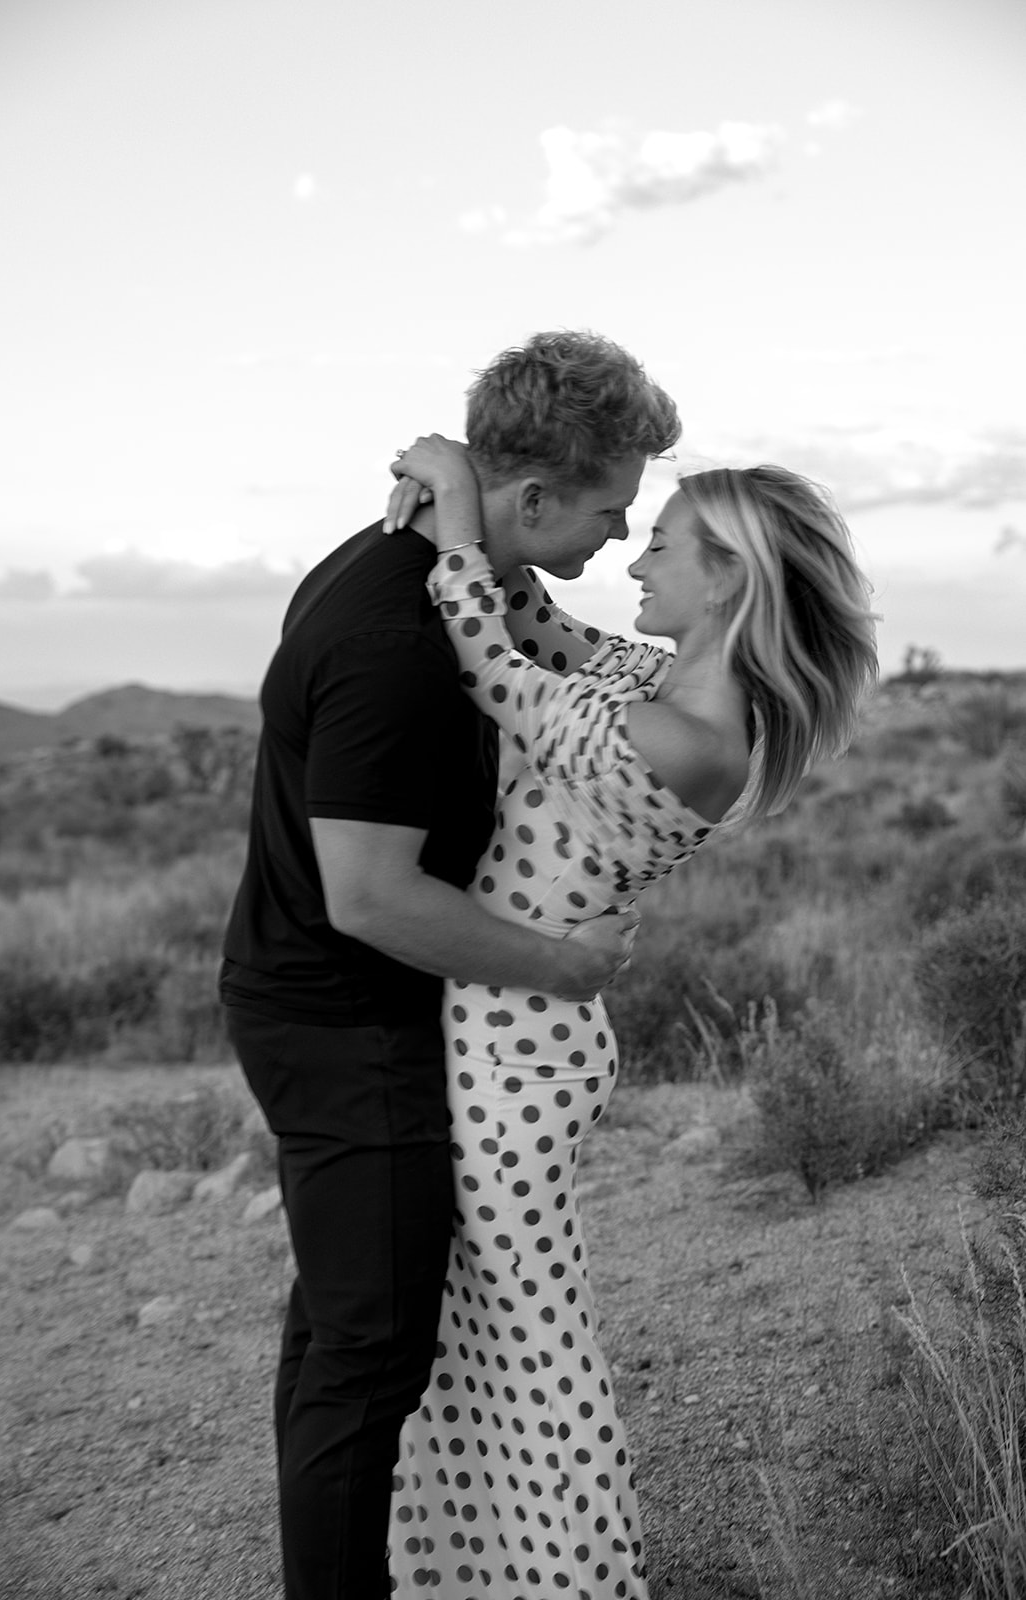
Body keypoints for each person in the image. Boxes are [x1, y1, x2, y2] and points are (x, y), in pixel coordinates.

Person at [218, 331, 681, 1600]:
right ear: (528, 499)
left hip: (342, 1002)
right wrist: (561, 966)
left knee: (337, 1332)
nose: (610, 539)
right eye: (607, 510)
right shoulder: (397, 640)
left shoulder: (384, 566)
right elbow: (367, 897)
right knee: (368, 1358)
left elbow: (545, 651)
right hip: (345, 1017)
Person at [381, 435, 879, 1600]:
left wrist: (459, 511)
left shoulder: (691, 740)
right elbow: (537, 631)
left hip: (514, 1052)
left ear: (729, 580)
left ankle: (572, 1580)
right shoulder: (647, 681)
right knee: (460, 1331)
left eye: (661, 542)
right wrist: (473, 514)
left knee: (527, 1335)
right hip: (496, 1023)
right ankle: (461, 1574)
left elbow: (495, 672)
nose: (635, 558)